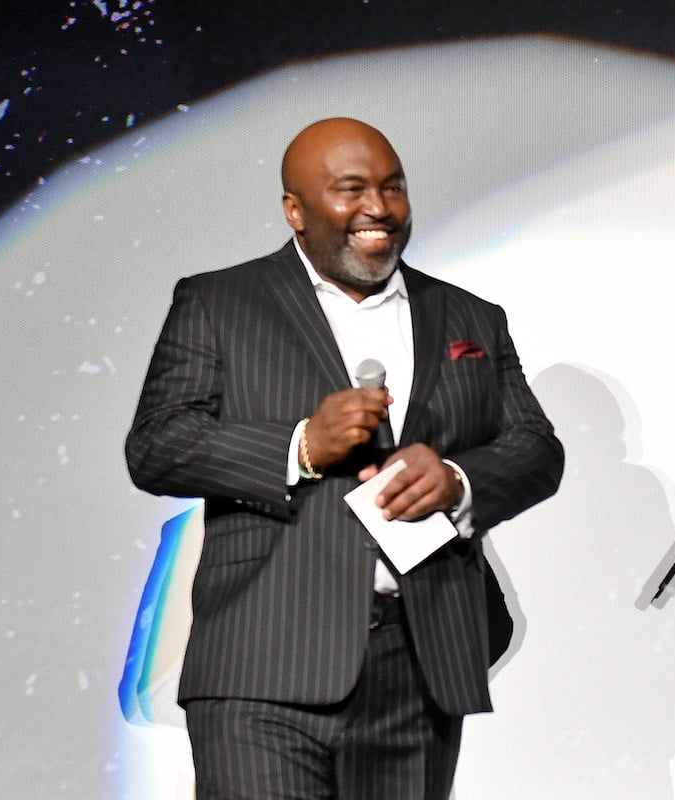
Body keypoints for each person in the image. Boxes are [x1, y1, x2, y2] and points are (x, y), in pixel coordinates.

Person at [125, 117, 564, 799]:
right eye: (351, 190)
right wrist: (300, 444)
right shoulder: (218, 303)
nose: (378, 209)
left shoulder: (472, 317)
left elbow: (536, 450)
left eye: (393, 188)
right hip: (262, 664)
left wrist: (455, 481)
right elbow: (156, 446)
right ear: (294, 210)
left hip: (419, 671)